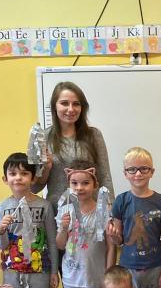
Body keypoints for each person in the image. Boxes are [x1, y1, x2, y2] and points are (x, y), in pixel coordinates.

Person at [0, 152, 59, 288]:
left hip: (39, 271)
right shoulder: (2, 207)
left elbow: (52, 240)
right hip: (12, 272)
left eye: (24, 173)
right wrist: (1, 230)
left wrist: (54, 271)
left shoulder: (44, 206)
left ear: (33, 178)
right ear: (5, 179)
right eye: (13, 173)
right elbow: (0, 245)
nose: (18, 178)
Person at [110, 147, 161, 288]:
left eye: (144, 169)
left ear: (152, 171)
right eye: (132, 169)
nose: (138, 174)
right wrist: (113, 236)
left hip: (155, 269)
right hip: (128, 270)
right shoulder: (121, 200)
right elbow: (118, 240)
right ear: (125, 173)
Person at [31, 81, 113, 212]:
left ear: (82, 108)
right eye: (64, 103)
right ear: (54, 106)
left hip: (91, 212)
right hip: (58, 212)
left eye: (76, 104)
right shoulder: (42, 138)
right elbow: (34, 188)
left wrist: (110, 210)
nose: (70, 109)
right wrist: (46, 168)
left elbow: (105, 177)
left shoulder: (93, 135)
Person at [56, 160, 115, 288]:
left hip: (96, 277)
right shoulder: (65, 211)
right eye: (74, 183)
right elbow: (60, 245)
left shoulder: (104, 211)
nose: (79, 188)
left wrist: (108, 276)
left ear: (95, 185)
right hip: (71, 276)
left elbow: (111, 247)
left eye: (85, 183)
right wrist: (64, 228)